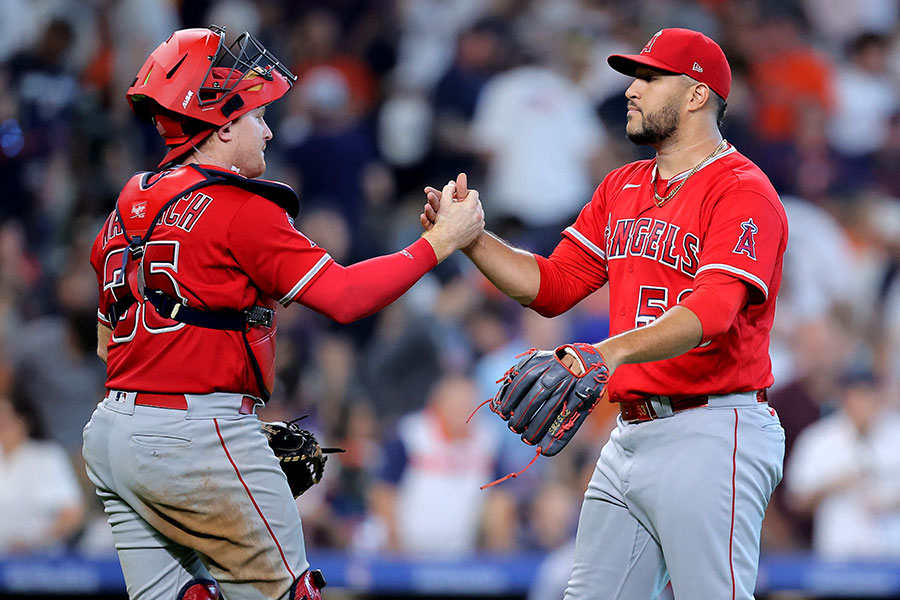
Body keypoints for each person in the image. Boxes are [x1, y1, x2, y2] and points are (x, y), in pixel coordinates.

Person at [83, 26, 483, 600]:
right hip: (197, 432)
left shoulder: (131, 199)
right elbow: (344, 298)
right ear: (221, 126)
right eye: (256, 116)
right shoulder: (238, 207)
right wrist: (439, 243)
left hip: (114, 438)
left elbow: (107, 344)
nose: (269, 129)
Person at [423, 27, 787, 599]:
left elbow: (714, 310)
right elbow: (553, 285)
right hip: (631, 433)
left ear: (696, 95)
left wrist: (605, 352)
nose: (630, 90)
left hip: (714, 429)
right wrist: (471, 239)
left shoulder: (742, 191)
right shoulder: (623, 185)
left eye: (648, 77)